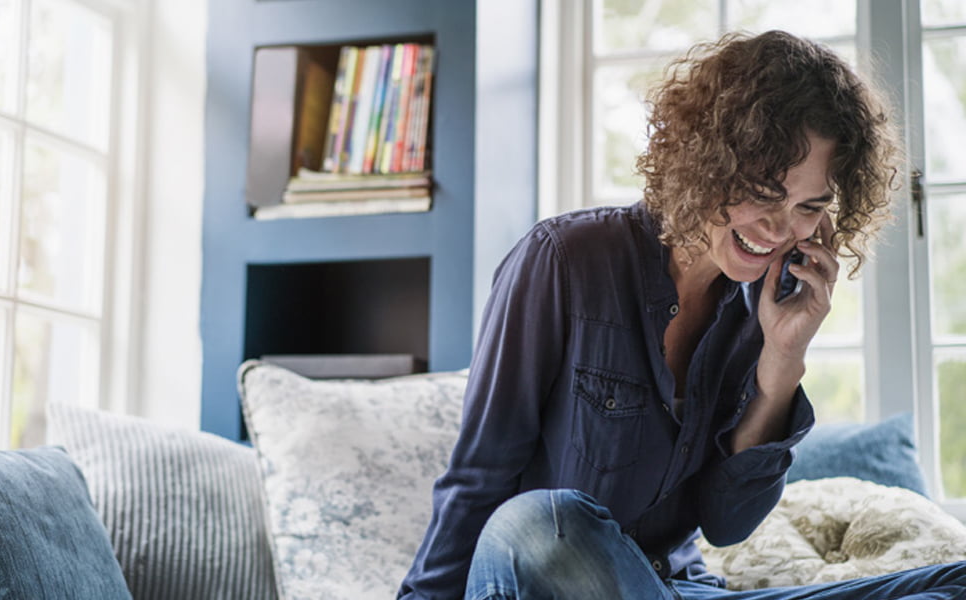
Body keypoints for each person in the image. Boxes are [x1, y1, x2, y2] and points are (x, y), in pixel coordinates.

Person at [397, 30, 966, 600]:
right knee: (544, 526)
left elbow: (727, 524)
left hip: (676, 590)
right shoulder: (564, 261)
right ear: (707, 161)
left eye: (808, 207)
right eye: (764, 192)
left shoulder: (758, 310)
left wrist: (781, 361)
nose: (779, 228)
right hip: (545, 575)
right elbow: (479, 477)